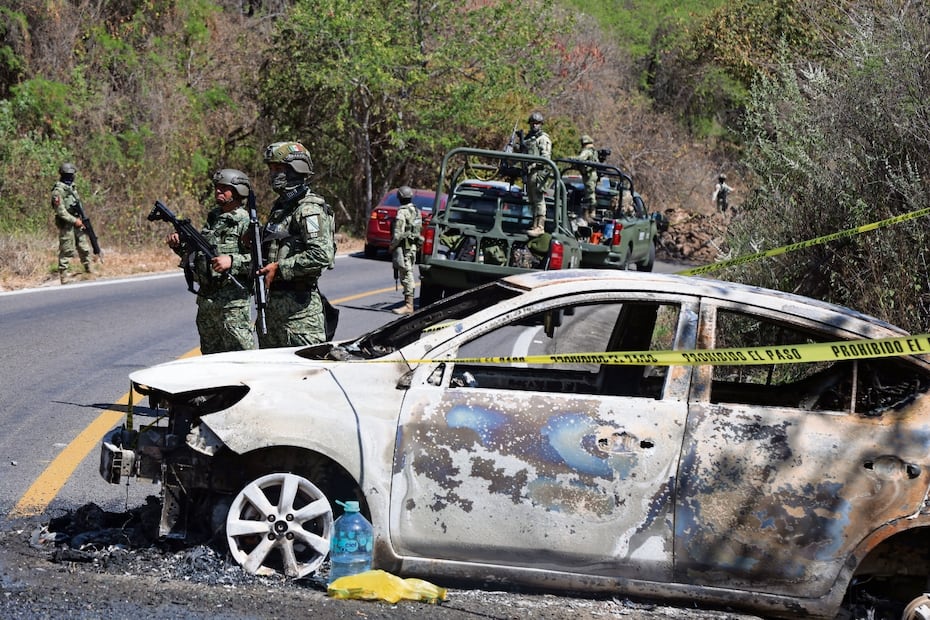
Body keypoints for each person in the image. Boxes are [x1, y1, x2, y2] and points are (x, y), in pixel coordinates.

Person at [166, 169, 255, 354]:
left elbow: (259, 261)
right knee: (210, 360)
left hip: (232, 305)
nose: (218, 192)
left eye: (225, 188)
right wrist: (179, 246)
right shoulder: (214, 219)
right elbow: (199, 256)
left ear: (238, 191)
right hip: (207, 301)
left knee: (241, 358)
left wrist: (232, 261)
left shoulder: (246, 222)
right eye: (217, 188)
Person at [258, 141, 335, 348]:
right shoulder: (281, 208)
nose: (272, 175)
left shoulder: (309, 209)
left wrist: (280, 268)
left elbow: (321, 254)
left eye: (278, 169)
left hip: (300, 318)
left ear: (295, 170)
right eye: (271, 169)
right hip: (272, 311)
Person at [51, 162, 94, 284]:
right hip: (67, 224)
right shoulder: (58, 191)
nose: (72, 176)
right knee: (67, 249)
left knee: (83, 247)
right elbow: (61, 212)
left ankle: (89, 269)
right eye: (70, 174)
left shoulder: (72, 188)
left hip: (78, 222)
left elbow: (78, 205)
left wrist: (82, 220)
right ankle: (63, 276)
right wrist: (75, 221)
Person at [390, 186, 422, 315]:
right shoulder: (416, 211)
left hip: (404, 248)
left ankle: (409, 305)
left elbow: (398, 234)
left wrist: (392, 246)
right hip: (413, 247)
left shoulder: (402, 212)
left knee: (406, 275)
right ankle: (408, 304)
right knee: (408, 272)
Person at [519, 111, 552, 236]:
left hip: (538, 172)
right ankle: (534, 225)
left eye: (537, 123)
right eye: (532, 123)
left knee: (538, 199)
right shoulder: (529, 138)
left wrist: (533, 165)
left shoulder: (543, 139)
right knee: (532, 200)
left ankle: (540, 226)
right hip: (529, 172)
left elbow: (546, 158)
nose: (534, 126)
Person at [576, 134, 598, 221]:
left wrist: (573, 158)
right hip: (590, 174)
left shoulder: (587, 151)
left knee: (590, 193)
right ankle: (591, 210)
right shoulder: (592, 151)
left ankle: (592, 211)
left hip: (589, 175)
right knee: (589, 192)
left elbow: (581, 158)